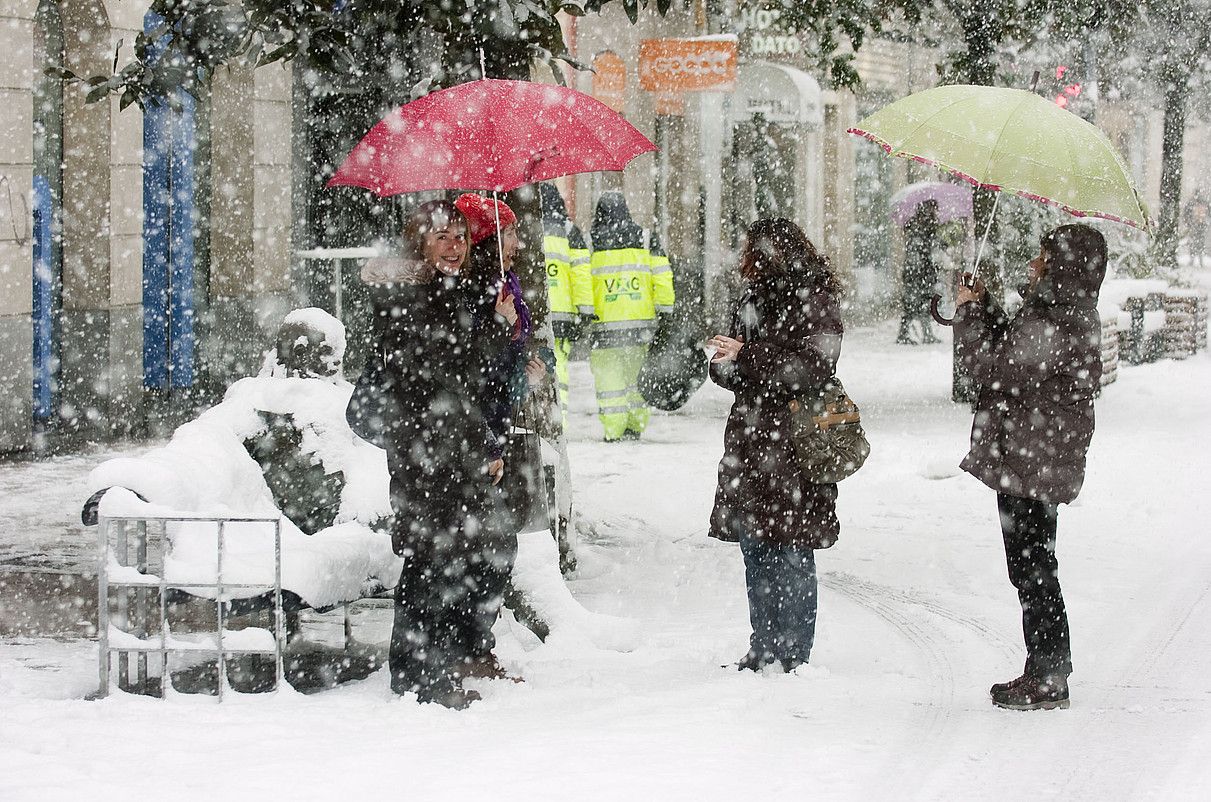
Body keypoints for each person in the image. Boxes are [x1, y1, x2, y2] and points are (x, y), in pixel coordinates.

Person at [360, 199, 510, 709]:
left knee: (471, 553)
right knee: (428, 560)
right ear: (420, 242)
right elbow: (431, 369)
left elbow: (475, 376)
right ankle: (417, 673)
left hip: (457, 447)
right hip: (421, 451)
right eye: (441, 237)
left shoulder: (455, 292)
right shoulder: (408, 295)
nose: (453, 247)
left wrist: (498, 324)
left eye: (460, 238)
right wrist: (487, 327)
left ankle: (456, 655)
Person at [953, 223, 1107, 711]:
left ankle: (1048, 674)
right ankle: (1046, 667)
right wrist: (988, 305)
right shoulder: (1057, 312)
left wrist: (969, 311)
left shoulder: (1059, 319)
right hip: (1034, 454)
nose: (1033, 264)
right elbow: (1013, 358)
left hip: (1033, 459)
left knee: (1033, 566)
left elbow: (988, 367)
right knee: (1032, 564)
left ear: (1062, 265)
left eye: (1042, 258)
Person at [706, 218, 844, 673]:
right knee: (756, 546)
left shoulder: (816, 297)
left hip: (794, 443)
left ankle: (794, 652)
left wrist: (747, 356)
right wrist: (726, 362)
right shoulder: (750, 297)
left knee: (791, 548)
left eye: (750, 250)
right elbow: (730, 367)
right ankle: (763, 643)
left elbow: (813, 366)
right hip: (750, 439)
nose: (743, 260)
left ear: (771, 253)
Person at [452, 192, 548, 682]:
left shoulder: (503, 283)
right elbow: (473, 370)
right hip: (471, 435)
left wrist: (522, 376)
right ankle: (467, 647)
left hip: (492, 428)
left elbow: (500, 368)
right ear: (489, 239)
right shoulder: (475, 291)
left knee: (491, 545)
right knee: (489, 545)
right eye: (509, 233)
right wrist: (502, 325)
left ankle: (474, 645)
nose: (517, 241)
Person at [587, 191, 675, 442]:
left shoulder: (590, 241)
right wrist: (665, 310)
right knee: (637, 378)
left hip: (604, 328)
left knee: (609, 381)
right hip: (641, 325)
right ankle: (636, 424)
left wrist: (584, 312)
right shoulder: (646, 239)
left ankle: (613, 428)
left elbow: (583, 279)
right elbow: (663, 276)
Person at [538, 182, 593, 427]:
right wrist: (584, 311)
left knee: (535, 366)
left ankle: (540, 417)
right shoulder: (570, 231)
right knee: (560, 368)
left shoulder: (525, 228)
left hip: (534, 311)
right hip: (563, 314)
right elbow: (581, 275)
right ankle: (561, 421)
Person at [897, 199, 941, 345]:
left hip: (921, 273)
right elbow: (918, 253)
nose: (936, 212)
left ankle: (924, 333)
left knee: (921, 303)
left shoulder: (926, 227)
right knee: (913, 304)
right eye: (933, 209)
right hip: (917, 273)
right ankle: (906, 334)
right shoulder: (919, 228)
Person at [1184, 193, 1208, 269]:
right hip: (1197, 226)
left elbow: (1187, 213)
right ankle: (1196, 259)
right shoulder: (1199, 206)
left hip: (1197, 226)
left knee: (1196, 243)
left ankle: (1196, 259)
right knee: (1196, 243)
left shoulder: (1192, 205)